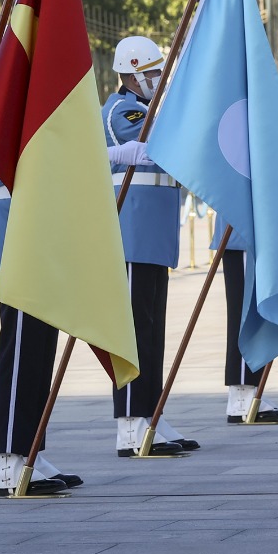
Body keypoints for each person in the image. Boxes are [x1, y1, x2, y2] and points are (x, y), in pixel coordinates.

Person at [104, 36, 195, 457]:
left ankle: (149, 414)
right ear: (133, 74)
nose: (159, 78)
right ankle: (129, 422)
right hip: (133, 234)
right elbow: (167, 144)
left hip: (153, 236)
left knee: (152, 330)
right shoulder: (125, 111)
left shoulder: (149, 110)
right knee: (134, 332)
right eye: (153, 72)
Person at [0, 169, 75, 497]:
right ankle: (8, 458)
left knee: (39, 350)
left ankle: (28, 452)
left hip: (43, 231)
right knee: (21, 350)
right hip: (17, 233)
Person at [220, 226, 278, 423]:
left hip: (267, 230)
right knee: (245, 313)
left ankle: (249, 389)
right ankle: (241, 395)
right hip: (245, 230)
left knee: (260, 311)